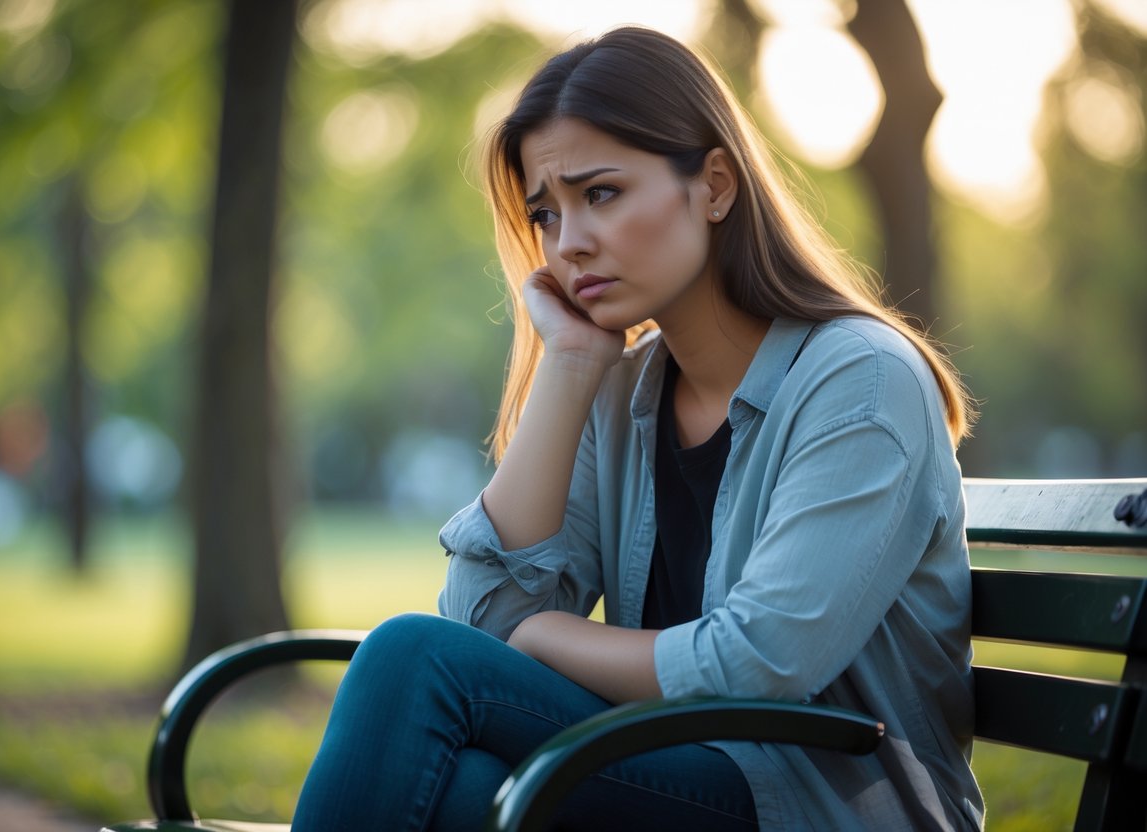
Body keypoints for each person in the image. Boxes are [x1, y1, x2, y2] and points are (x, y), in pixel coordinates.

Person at [293, 25, 982, 831]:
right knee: (457, 790)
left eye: (602, 193)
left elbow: (756, 665)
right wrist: (571, 365)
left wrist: (543, 637)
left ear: (714, 186)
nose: (568, 243)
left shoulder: (859, 380)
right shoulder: (624, 394)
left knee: (410, 662)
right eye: (544, 214)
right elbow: (480, 618)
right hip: (682, 767)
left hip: (821, 804)